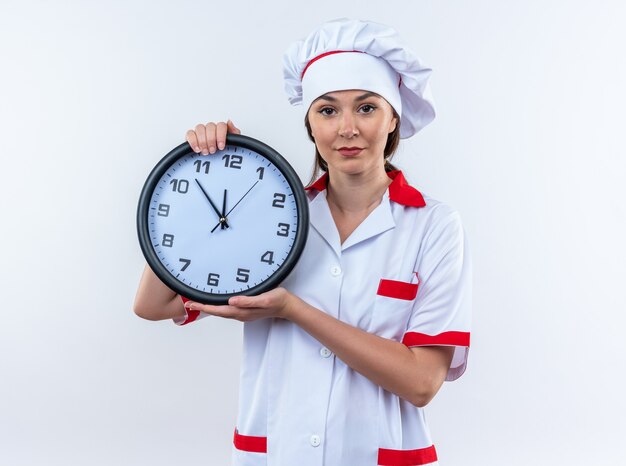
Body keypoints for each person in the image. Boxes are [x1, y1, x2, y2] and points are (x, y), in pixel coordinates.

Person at [134, 18, 471, 466]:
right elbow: (153, 305)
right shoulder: (270, 215)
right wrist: (201, 171)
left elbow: (422, 382)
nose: (347, 128)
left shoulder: (434, 226)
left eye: (367, 107)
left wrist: (293, 310)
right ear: (311, 124)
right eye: (327, 110)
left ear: (394, 117)